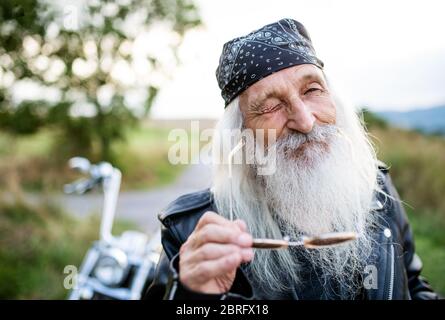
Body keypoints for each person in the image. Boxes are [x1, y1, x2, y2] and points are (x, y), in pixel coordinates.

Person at [144, 18, 438, 300]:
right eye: (271, 107)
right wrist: (192, 295)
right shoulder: (192, 231)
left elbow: (411, 284)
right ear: (241, 134)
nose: (306, 121)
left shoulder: (376, 187)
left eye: (312, 90)